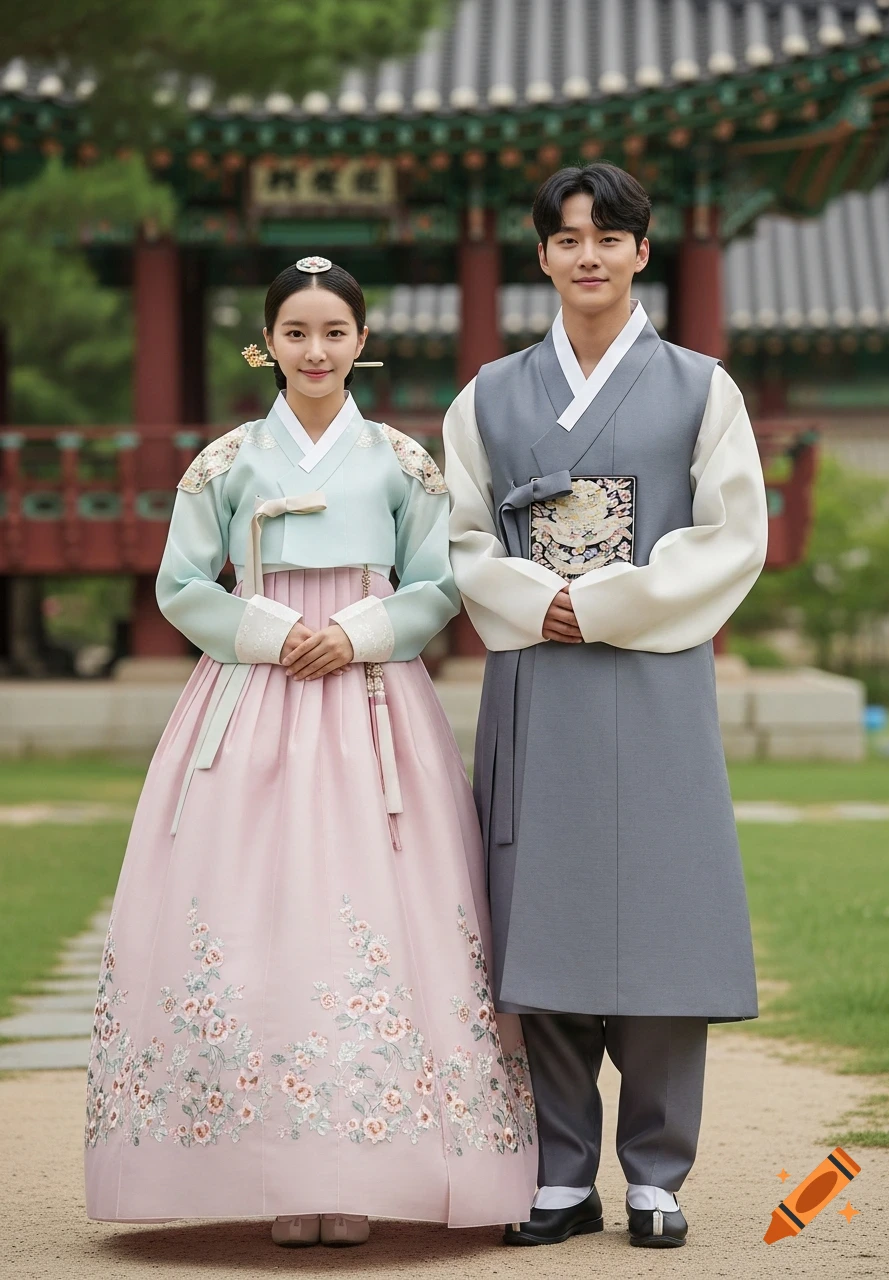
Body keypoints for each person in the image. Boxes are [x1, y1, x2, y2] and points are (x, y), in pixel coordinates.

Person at [84, 257, 537, 1247]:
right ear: (267, 344)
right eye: (296, 332)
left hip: (371, 700)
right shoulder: (225, 462)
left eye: (334, 332)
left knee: (377, 904)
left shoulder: (403, 463)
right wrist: (269, 629)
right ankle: (280, 1175)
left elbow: (436, 584)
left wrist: (360, 631)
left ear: (361, 341)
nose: (316, 350)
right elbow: (180, 585)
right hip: (256, 691)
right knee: (254, 911)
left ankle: (368, 1172)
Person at [442, 163, 767, 1250]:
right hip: (539, 670)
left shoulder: (700, 388)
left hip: (654, 672)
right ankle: (560, 1172)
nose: (588, 255)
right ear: (541, 255)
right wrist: (537, 601)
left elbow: (732, 533)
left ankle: (657, 1175)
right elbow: (458, 537)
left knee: (663, 918)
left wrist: (608, 602)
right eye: (568, 238)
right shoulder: (487, 394)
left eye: (608, 236)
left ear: (641, 250)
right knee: (541, 916)